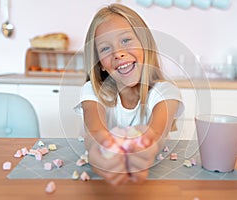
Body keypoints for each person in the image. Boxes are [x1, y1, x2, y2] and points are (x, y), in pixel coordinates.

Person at [76, 3, 184, 185]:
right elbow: (94, 130)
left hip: (153, 182)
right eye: (105, 48)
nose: (118, 53)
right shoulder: (93, 91)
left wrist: (147, 144)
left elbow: (157, 132)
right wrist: (98, 150)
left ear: (145, 45)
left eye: (126, 40)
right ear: (100, 63)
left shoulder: (166, 92)